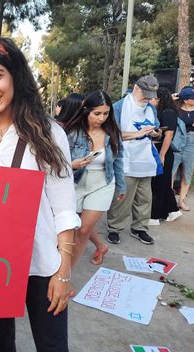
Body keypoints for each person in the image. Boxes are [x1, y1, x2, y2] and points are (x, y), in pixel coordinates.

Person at [0, 37, 80, 352]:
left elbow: (65, 206)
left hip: (43, 263)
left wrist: (63, 271)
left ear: (14, 75)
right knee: (0, 345)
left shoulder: (48, 132)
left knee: (52, 346)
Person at [64, 90, 125, 266]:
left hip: (103, 183)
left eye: (106, 113)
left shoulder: (112, 132)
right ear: (86, 111)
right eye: (97, 113)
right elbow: (58, 161)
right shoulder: (73, 133)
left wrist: (121, 185)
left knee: (83, 230)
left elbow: (119, 160)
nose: (101, 118)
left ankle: (66, 275)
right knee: (74, 226)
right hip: (76, 182)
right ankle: (100, 245)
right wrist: (72, 164)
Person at [106, 75, 162, 245]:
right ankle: (114, 228)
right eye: (145, 94)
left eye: (151, 96)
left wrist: (155, 133)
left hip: (146, 160)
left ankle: (140, 227)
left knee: (144, 198)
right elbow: (111, 135)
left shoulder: (151, 109)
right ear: (136, 88)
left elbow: (157, 128)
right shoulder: (119, 107)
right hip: (126, 159)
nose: (148, 99)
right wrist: (137, 134)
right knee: (122, 197)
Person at [149, 88, 182, 223]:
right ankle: (172, 211)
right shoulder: (160, 112)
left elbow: (169, 136)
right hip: (158, 150)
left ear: (160, 98)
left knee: (158, 184)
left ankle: (155, 216)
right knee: (161, 183)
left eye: (153, 98)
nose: (151, 100)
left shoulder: (168, 113)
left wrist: (161, 155)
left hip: (164, 152)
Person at [172, 87, 194, 211]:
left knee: (187, 173)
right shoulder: (175, 109)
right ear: (186, 100)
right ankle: (169, 200)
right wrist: (174, 97)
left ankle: (181, 201)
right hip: (177, 143)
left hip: (192, 144)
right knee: (171, 172)